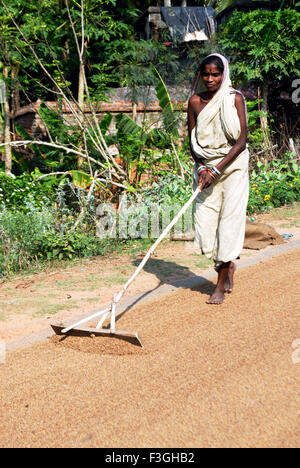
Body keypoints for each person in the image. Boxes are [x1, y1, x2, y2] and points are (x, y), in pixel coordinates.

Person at [187, 53, 249, 304]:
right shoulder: (194, 102)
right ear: (201, 75)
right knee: (205, 227)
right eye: (206, 74)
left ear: (224, 75)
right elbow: (191, 142)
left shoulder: (234, 98)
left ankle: (220, 285)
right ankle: (227, 265)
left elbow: (243, 140)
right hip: (206, 171)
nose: (211, 79)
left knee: (229, 225)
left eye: (216, 74)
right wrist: (203, 167)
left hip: (232, 167)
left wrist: (218, 169)